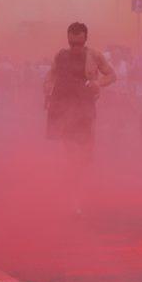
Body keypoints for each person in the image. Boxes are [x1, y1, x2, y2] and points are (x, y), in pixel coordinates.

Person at [44, 22, 116, 212]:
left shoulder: (94, 55)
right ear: (68, 39)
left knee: (85, 155)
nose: (75, 47)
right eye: (72, 42)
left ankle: (78, 189)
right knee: (72, 156)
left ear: (85, 39)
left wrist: (98, 83)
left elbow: (111, 75)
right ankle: (74, 197)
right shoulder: (61, 55)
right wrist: (47, 93)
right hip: (62, 108)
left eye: (78, 43)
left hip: (85, 108)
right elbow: (51, 76)